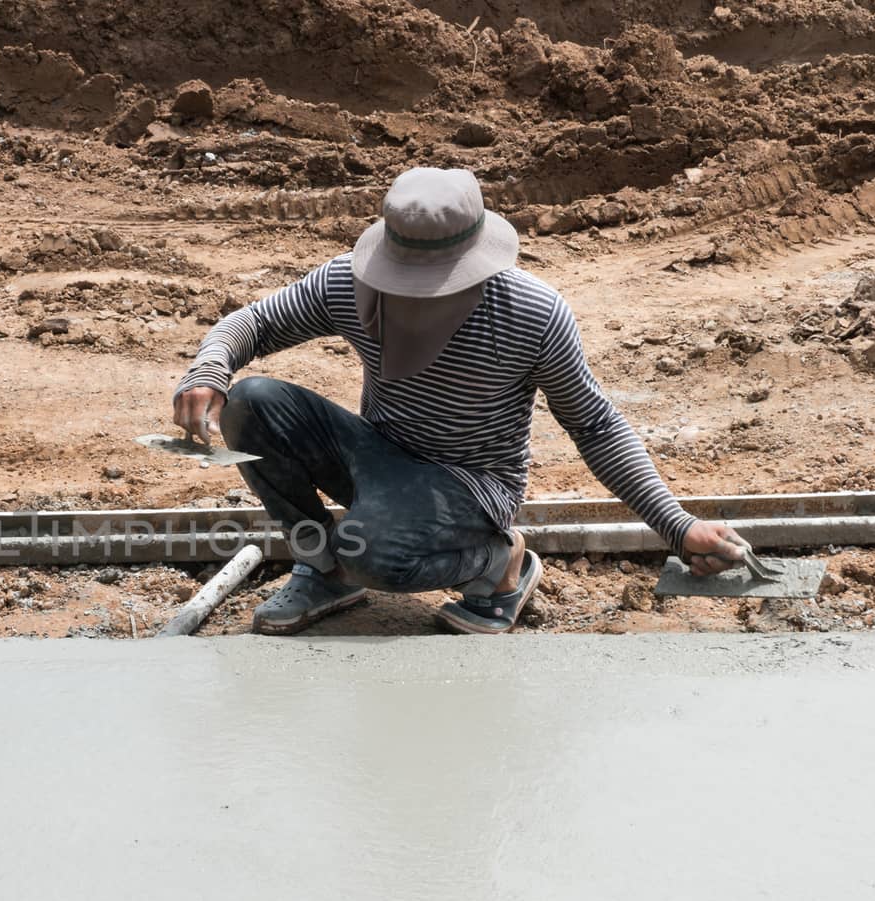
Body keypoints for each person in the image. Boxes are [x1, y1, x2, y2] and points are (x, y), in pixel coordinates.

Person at [170, 166, 749, 635]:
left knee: (373, 553)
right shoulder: (351, 284)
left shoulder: (531, 314)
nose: (417, 299)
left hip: (471, 483)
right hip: (379, 455)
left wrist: (676, 526)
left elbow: (595, 426)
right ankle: (323, 569)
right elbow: (253, 323)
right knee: (251, 402)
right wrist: (208, 372)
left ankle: (501, 564)